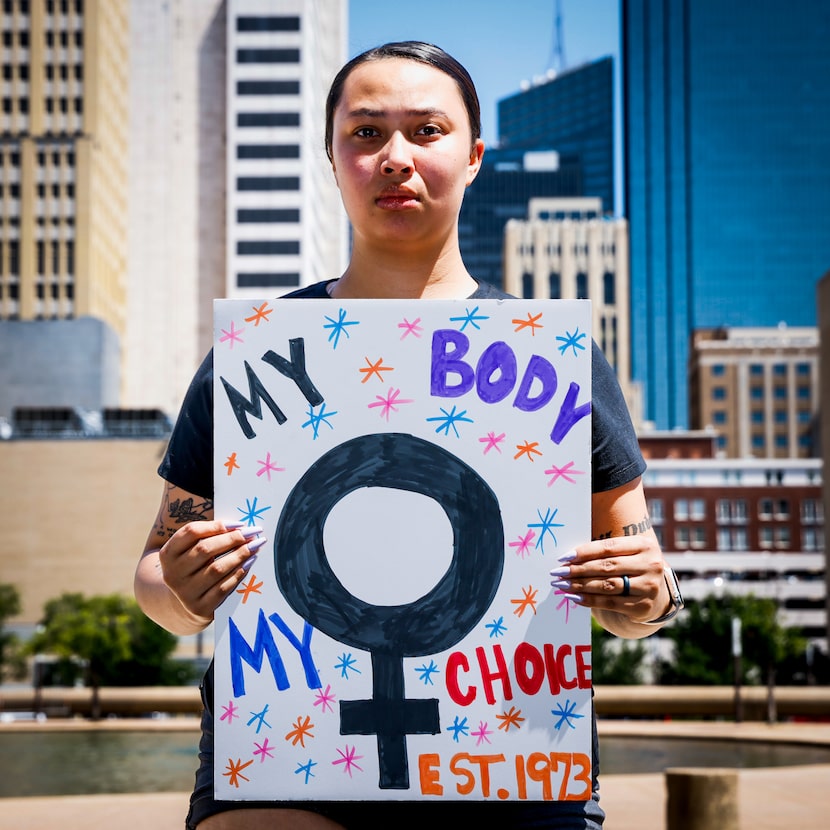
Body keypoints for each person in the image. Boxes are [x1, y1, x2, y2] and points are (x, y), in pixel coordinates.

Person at [135, 41, 679, 830]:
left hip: (512, 768)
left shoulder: (557, 361)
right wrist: (180, 591)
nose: (396, 157)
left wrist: (639, 596)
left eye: (426, 130)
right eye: (365, 134)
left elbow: (647, 579)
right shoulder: (251, 355)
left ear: (475, 155)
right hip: (287, 768)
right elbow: (157, 573)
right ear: (332, 156)